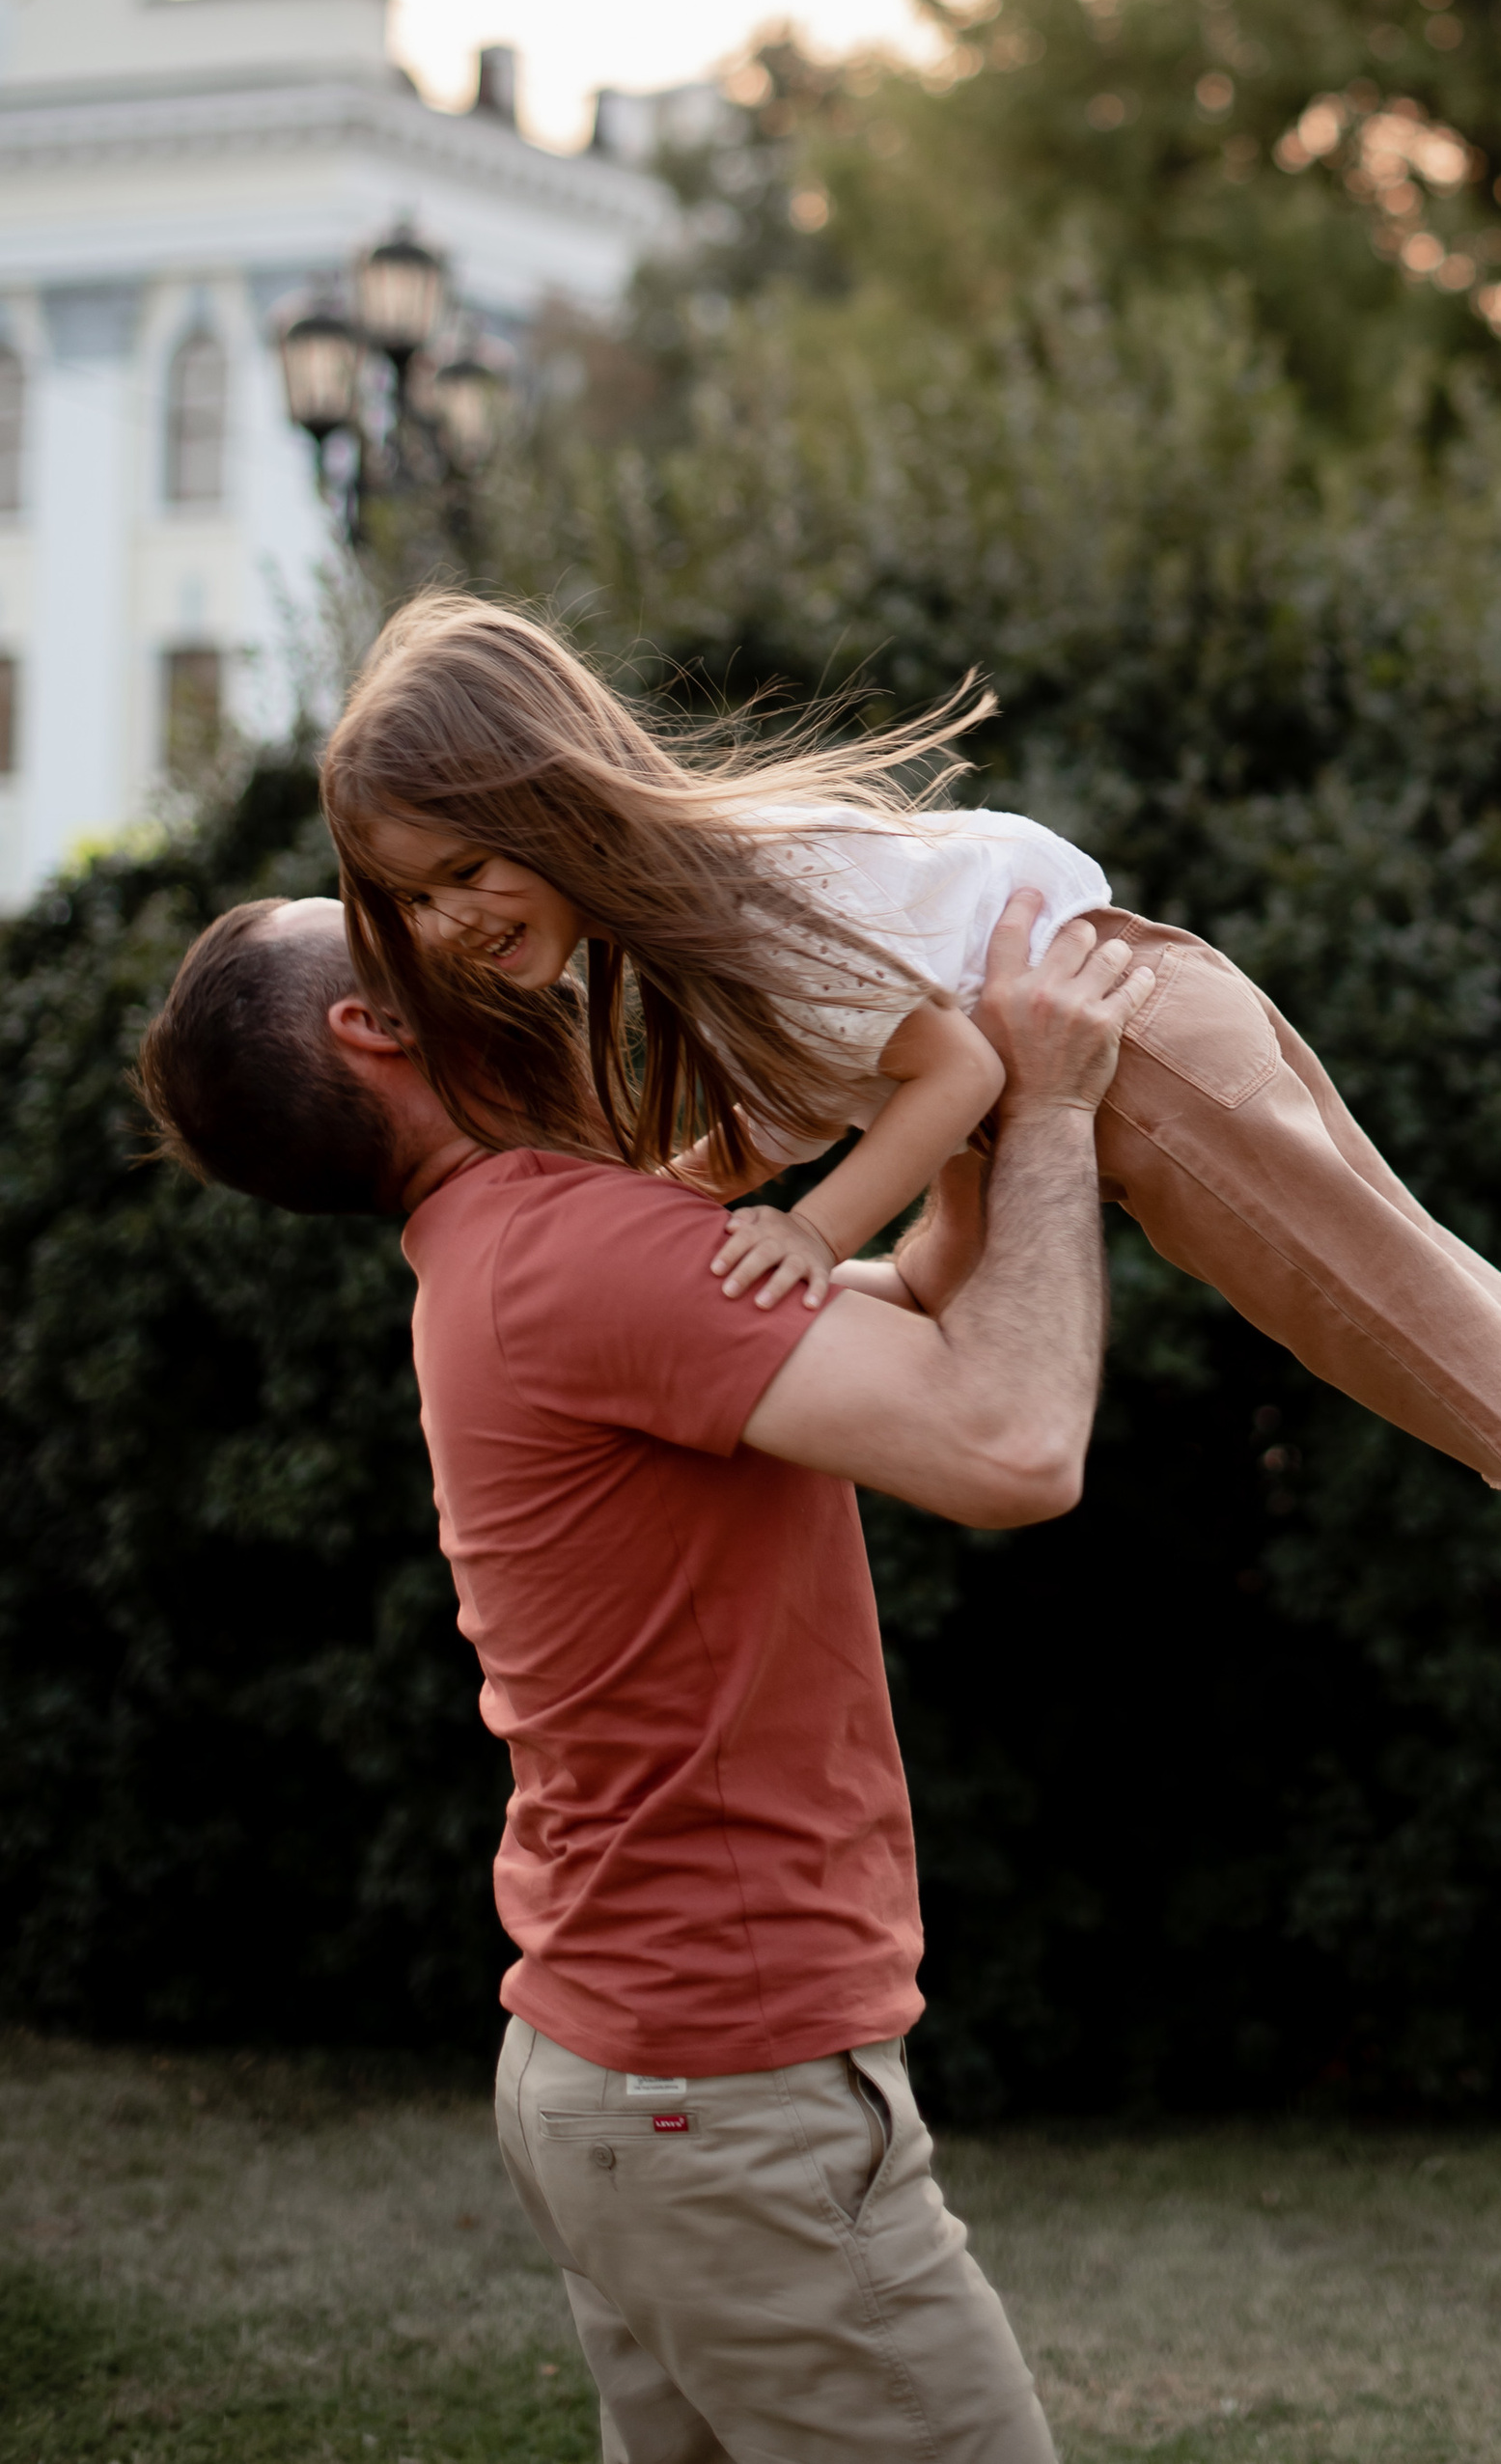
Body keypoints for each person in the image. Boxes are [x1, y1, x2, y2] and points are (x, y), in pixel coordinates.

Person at [137, 880, 1149, 2464]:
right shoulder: (574, 1250)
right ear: (376, 1020)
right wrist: (1066, 1110)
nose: (455, 906)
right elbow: (1013, 1442)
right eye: (387, 913)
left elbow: (929, 1308)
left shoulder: (519, 1248)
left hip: (632, 2080)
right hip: (722, 2096)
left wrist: (974, 1102)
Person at [319, 594, 1501, 1666]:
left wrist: (817, 1232)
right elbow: (785, 1115)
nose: (449, 922)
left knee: (1371, 1303)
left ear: (551, 801)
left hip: (1131, 1051)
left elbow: (947, 1073)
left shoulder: (736, 914)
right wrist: (684, 1195)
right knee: (1399, 1246)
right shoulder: (698, 912)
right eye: (413, 899)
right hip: (1148, 993)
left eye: (465, 867)